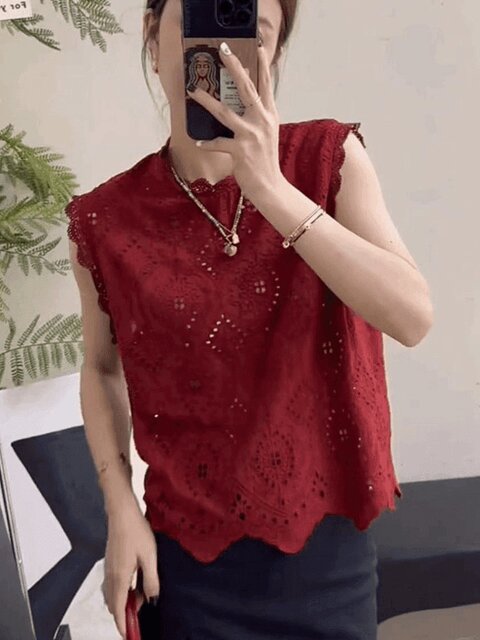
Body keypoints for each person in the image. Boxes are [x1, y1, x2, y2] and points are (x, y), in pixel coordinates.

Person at [65, 0, 434, 638]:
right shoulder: (105, 220)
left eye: (248, 32)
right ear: (153, 36)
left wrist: (272, 191)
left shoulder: (326, 161)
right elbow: (101, 369)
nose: (217, 53)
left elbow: (411, 317)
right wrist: (119, 505)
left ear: (273, 56)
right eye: (196, 25)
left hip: (325, 557)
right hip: (184, 562)